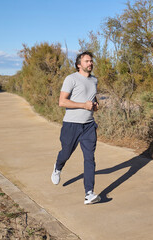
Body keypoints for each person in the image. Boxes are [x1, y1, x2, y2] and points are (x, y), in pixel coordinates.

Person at [51, 51, 101, 205]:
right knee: (65, 153)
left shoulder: (94, 80)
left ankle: (89, 193)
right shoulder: (71, 79)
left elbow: (92, 98)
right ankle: (58, 167)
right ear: (79, 64)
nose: (90, 63)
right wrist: (83, 105)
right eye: (87, 61)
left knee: (89, 159)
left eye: (91, 61)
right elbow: (62, 102)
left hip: (88, 126)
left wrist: (95, 105)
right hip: (71, 125)